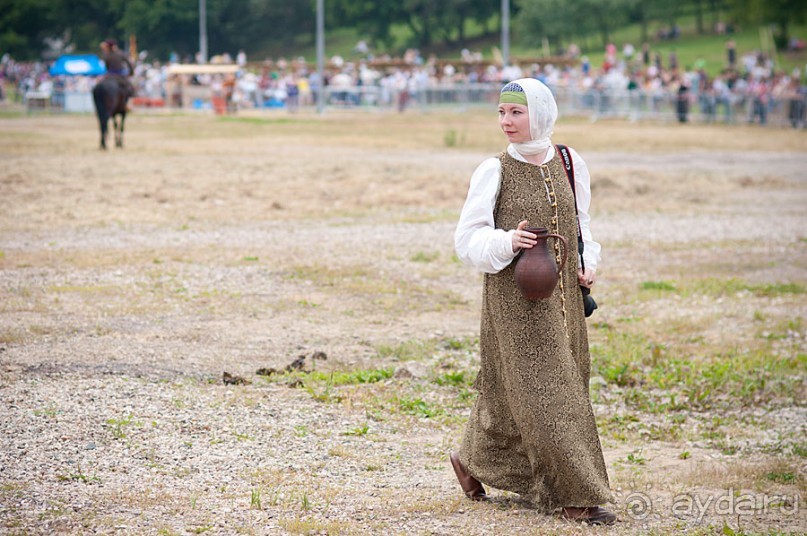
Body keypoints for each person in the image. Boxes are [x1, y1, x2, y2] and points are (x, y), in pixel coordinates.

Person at [450, 78, 616, 526]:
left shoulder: (568, 160)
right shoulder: (493, 169)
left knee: (527, 391)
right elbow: (467, 240)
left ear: (540, 113)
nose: (506, 121)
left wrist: (588, 263)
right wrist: (509, 241)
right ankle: (573, 495)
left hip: (565, 299)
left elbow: (583, 228)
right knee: (549, 393)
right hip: (516, 299)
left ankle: (472, 458)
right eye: (502, 113)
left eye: (516, 113)